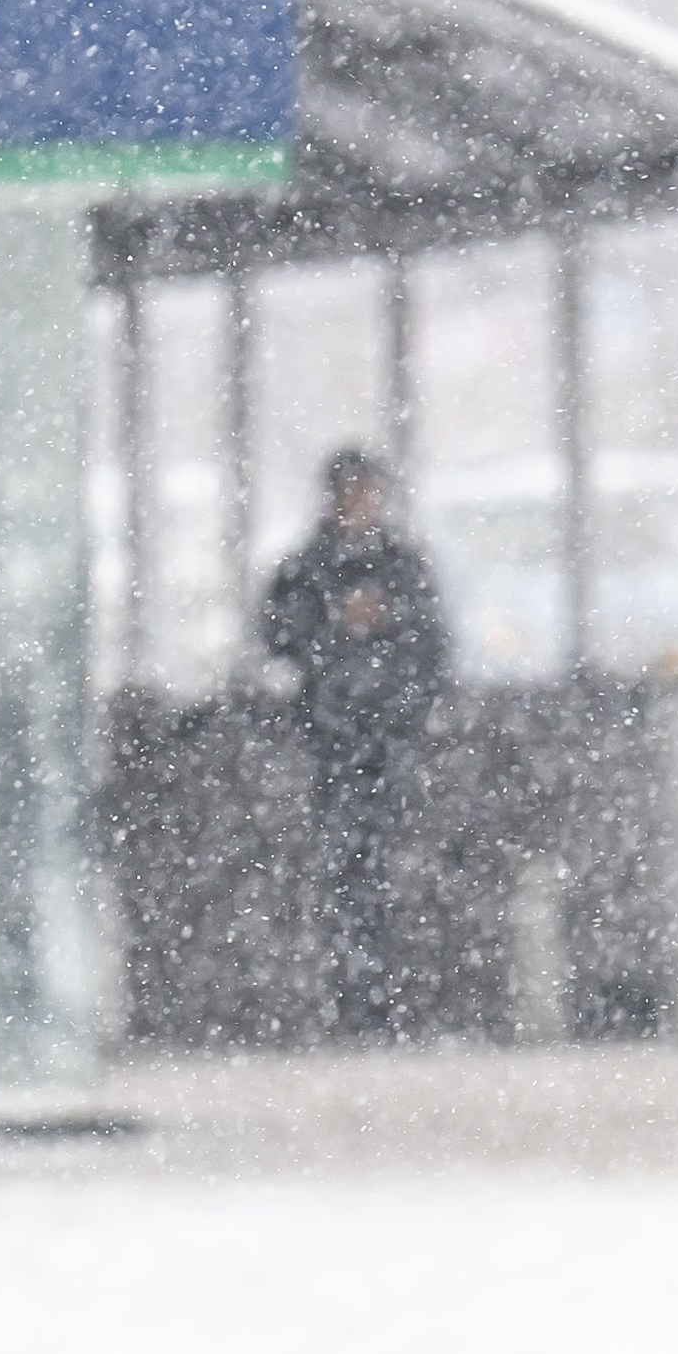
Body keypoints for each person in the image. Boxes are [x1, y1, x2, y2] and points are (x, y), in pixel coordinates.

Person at [259, 445, 452, 1040]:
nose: (355, 505)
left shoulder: (400, 566)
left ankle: (383, 994)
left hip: (386, 737)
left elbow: (432, 646)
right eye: (348, 493)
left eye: (363, 493)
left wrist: (384, 636)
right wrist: (332, 627)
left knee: (385, 866)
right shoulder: (308, 569)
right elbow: (276, 633)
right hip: (332, 738)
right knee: (346, 868)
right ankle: (355, 995)